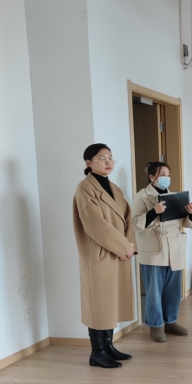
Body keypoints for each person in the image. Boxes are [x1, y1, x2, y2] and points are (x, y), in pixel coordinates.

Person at [73, 144, 136, 369]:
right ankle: (97, 352)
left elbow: (128, 217)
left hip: (118, 253)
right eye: (101, 158)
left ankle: (108, 346)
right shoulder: (85, 188)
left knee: (110, 301)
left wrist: (129, 246)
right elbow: (95, 224)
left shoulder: (114, 188)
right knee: (98, 303)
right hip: (99, 254)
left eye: (110, 158)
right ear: (89, 163)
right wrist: (123, 247)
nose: (108, 162)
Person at [132, 162, 192, 343]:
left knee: (173, 289)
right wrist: (154, 212)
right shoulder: (141, 196)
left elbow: (184, 221)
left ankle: (171, 322)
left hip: (174, 246)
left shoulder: (174, 196)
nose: (166, 177)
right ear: (152, 176)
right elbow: (135, 224)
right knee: (154, 291)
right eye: (162, 174)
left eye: (168, 174)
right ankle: (156, 325)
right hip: (153, 247)